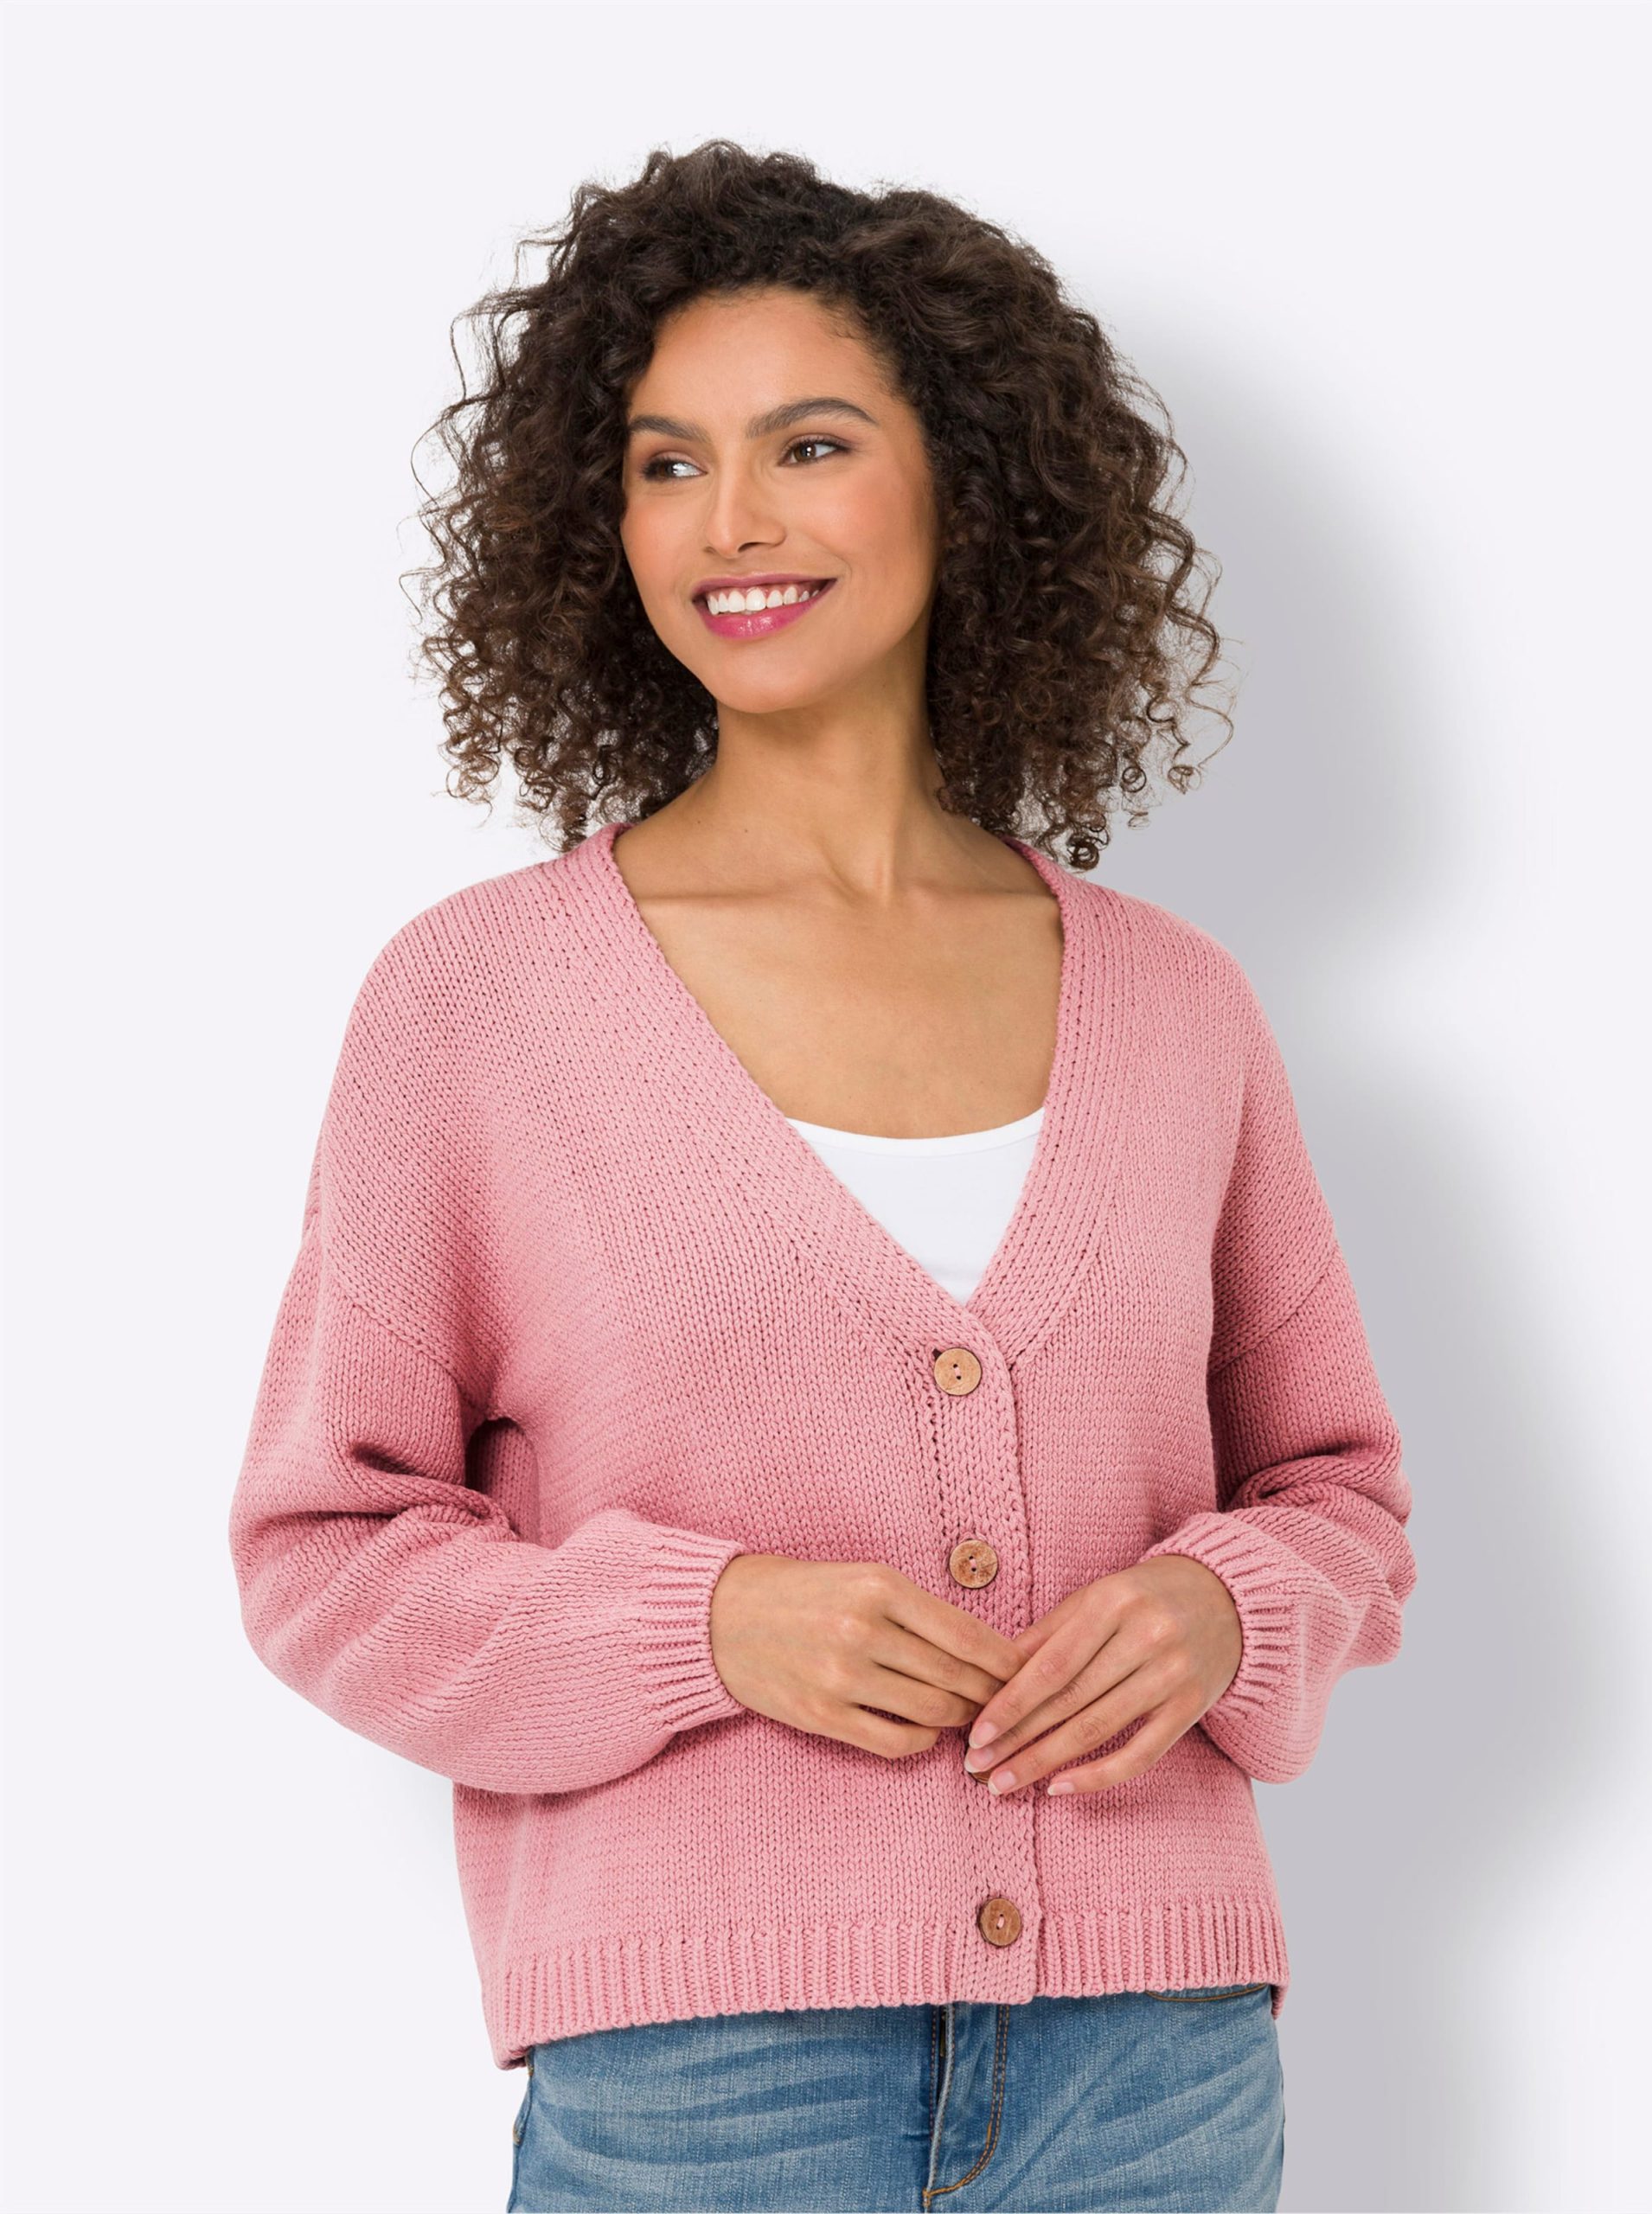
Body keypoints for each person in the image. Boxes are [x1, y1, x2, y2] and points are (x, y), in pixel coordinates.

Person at [227, 140, 1417, 2214]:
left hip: (1157, 2069)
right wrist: (704, 1625)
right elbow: (324, 1550)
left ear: (968, 483)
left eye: (807, 444)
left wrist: (1218, 1611)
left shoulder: (1176, 1005)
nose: (732, 520)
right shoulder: (478, 1002)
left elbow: (1338, 1496)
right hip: (705, 2080)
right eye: (664, 462)